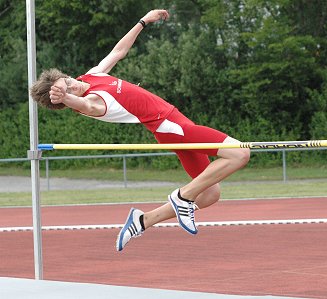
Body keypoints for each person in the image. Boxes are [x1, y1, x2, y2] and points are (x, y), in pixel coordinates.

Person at [30, 9, 250, 251]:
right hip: (170, 127)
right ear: (65, 101)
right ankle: (182, 197)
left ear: (68, 76)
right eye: (68, 91)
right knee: (240, 153)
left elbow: (118, 51)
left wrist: (143, 21)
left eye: (69, 82)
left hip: (177, 122)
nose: (74, 87)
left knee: (210, 194)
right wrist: (67, 98)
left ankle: (143, 220)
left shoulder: (92, 76)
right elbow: (82, 103)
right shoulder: (92, 104)